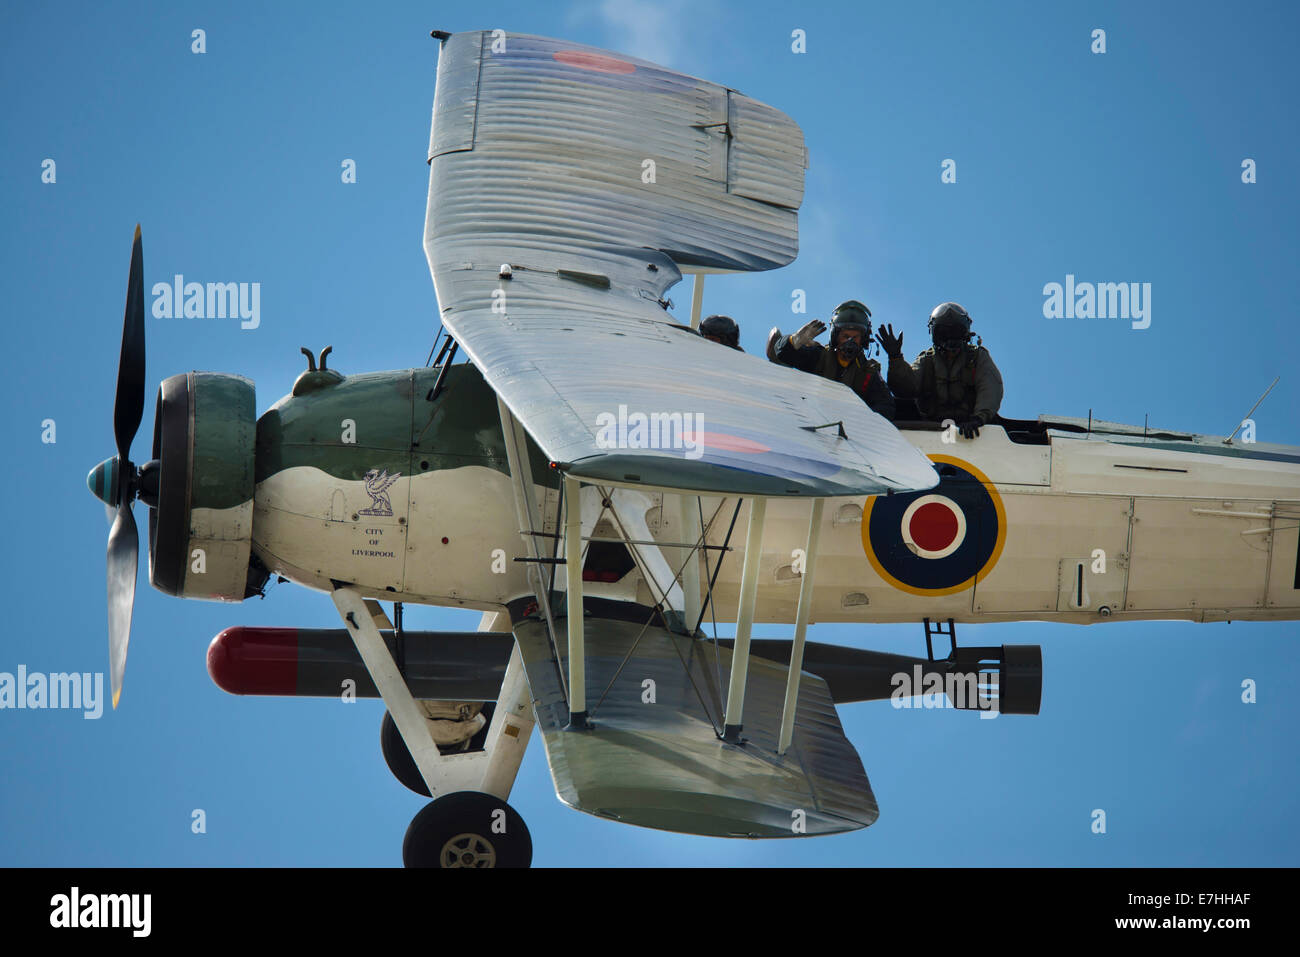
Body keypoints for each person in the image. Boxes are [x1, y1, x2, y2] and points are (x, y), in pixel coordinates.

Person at [875, 301, 1002, 438]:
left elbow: (990, 387)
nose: (950, 339)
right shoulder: (927, 360)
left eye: (956, 332)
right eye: (943, 334)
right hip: (931, 428)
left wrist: (979, 419)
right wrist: (895, 359)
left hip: (971, 427)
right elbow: (906, 388)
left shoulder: (976, 357)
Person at [765, 300, 895, 419]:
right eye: (845, 336)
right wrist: (794, 341)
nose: (850, 342)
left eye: (855, 337)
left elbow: (886, 407)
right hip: (811, 418)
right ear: (835, 336)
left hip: (850, 430)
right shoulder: (819, 356)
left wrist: (860, 419)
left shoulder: (868, 372)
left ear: (864, 339)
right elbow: (783, 354)